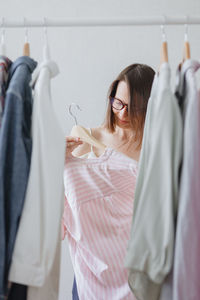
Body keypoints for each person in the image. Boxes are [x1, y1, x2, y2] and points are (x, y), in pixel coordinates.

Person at [63, 63, 155, 300]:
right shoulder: (86, 137)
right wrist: (55, 159)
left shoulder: (155, 148)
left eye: (134, 108)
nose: (123, 114)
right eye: (118, 103)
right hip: (91, 276)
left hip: (139, 274)